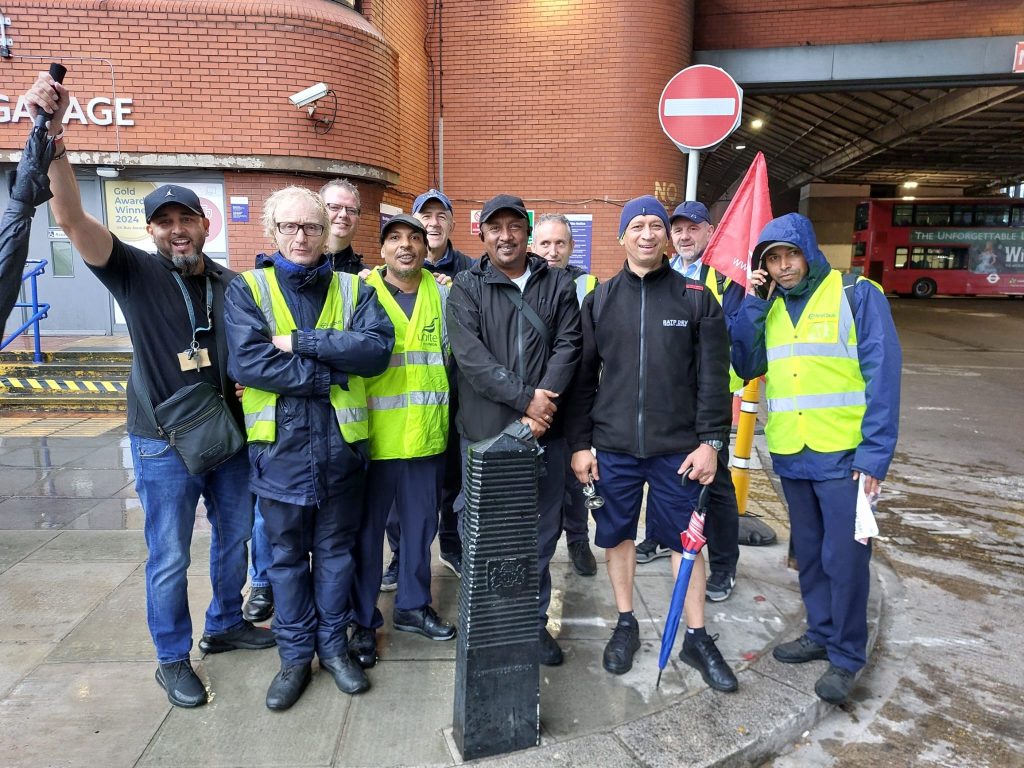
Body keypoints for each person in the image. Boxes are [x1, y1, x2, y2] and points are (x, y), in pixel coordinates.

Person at [24, 73, 276, 709]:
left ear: (202, 221)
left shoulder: (228, 280)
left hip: (225, 434)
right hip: (161, 442)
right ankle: (171, 657)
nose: (175, 230)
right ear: (153, 229)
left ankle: (224, 624)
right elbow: (71, 216)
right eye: (163, 222)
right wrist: (56, 145)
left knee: (236, 538)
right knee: (167, 554)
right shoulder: (131, 270)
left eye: (184, 218)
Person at [224, 186, 394, 711]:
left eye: (313, 227)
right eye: (291, 227)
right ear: (272, 232)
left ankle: (333, 648)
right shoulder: (247, 289)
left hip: (342, 455)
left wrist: (302, 343)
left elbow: (376, 351)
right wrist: (327, 378)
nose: (302, 237)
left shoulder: (354, 290)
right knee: (286, 561)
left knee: (337, 557)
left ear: (327, 232)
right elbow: (249, 363)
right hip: (278, 457)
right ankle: (294, 658)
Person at [566, 196, 738, 691]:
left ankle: (697, 635)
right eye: (636, 226)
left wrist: (711, 443)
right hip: (614, 447)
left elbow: (712, 380)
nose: (646, 234)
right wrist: (580, 444)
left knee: (689, 543)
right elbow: (582, 381)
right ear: (622, 237)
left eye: (655, 226)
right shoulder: (599, 300)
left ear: (666, 237)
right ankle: (625, 622)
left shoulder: (694, 297)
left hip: (677, 450)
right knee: (617, 536)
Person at [731, 212, 902, 706]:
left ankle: (847, 656)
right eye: (773, 259)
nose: (784, 267)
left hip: (845, 455)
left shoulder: (856, 294)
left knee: (844, 558)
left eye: (790, 255)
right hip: (791, 451)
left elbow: (883, 375)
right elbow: (746, 364)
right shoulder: (773, 305)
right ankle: (820, 632)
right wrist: (753, 303)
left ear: (809, 251)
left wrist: (874, 455)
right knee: (808, 553)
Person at [447, 194, 582, 666]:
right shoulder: (466, 286)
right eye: (494, 228)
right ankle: (485, 619)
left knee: (541, 533)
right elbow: (471, 358)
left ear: (526, 232)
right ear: (481, 235)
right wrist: (529, 400)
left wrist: (541, 407)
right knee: (480, 531)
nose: (506, 236)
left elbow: (569, 346)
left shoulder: (558, 283)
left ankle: (531, 621)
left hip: (546, 435)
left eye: (514, 227)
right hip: (484, 435)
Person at [349, 214, 456, 669]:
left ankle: (413, 607)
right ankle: (361, 620)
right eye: (395, 239)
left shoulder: (444, 292)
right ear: (383, 249)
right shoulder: (359, 290)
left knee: (419, 532)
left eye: (415, 238)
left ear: (427, 247)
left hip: (425, 438)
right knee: (366, 537)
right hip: (374, 440)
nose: (407, 246)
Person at [633, 201, 743, 604]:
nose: (683, 236)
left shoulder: (726, 283)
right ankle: (661, 538)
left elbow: (729, 339)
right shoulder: (658, 276)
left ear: (709, 232)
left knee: (714, 484)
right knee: (663, 474)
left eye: (692, 229)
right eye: (677, 229)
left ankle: (725, 564)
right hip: (665, 401)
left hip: (707, 402)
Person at [380, 189, 475, 591]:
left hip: (448, 407)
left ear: (451, 224)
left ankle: (449, 550)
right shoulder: (366, 286)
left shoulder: (463, 276)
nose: (432, 224)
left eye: (440, 216)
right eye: (425, 216)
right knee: (398, 511)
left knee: (449, 488)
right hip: (390, 421)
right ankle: (401, 562)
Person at [532, 213, 599, 577]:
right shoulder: (523, 281)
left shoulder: (589, 285)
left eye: (560, 243)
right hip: (534, 399)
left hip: (574, 400)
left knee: (578, 479)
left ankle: (577, 539)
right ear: (534, 246)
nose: (553, 251)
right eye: (545, 243)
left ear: (572, 247)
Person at [322, 179, 369, 274]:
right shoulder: (297, 266)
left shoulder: (365, 278)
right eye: (334, 207)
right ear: (319, 210)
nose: (343, 214)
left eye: (351, 210)